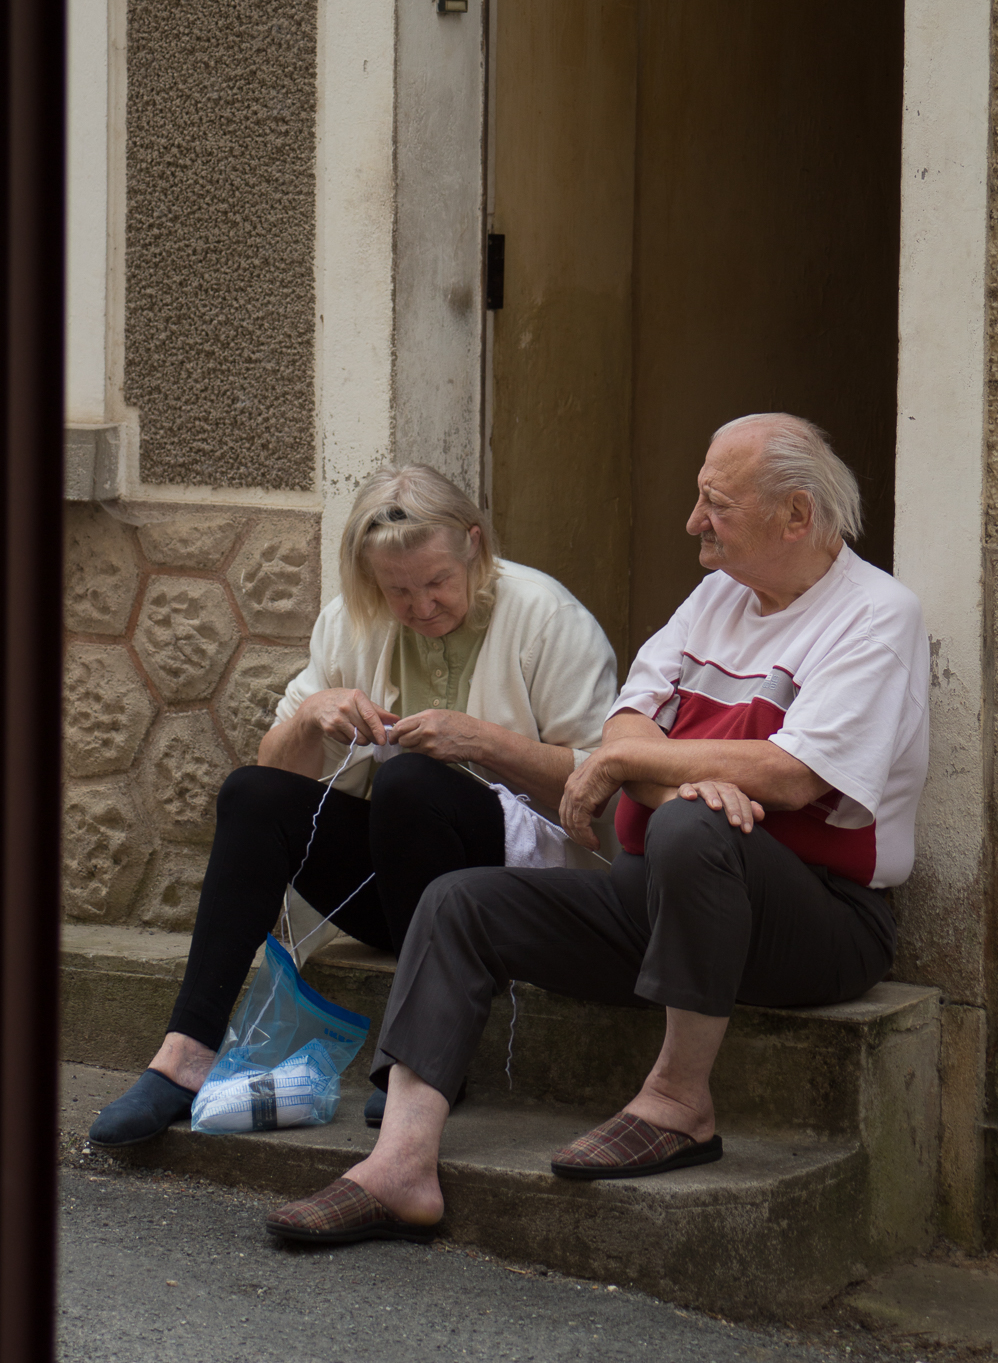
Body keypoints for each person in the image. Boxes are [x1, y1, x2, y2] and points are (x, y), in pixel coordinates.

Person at [263, 412, 929, 1247]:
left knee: (693, 826)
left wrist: (651, 771)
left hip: (819, 922)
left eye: (715, 503)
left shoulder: (876, 615)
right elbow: (624, 724)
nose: (694, 522)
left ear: (794, 516)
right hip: (656, 900)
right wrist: (679, 766)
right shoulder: (717, 596)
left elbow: (796, 775)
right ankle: (400, 1165)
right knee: (459, 903)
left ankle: (680, 1103)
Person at [89, 464, 618, 1147]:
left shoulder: (546, 614)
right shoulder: (350, 620)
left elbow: (601, 797)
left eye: (436, 583)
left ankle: (420, 1060)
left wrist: (483, 743)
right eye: (397, 590)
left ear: (475, 548)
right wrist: (311, 716)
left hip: (521, 898)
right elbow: (278, 777)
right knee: (250, 792)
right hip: (401, 892)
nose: (420, 606)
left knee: (412, 782)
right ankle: (184, 1057)